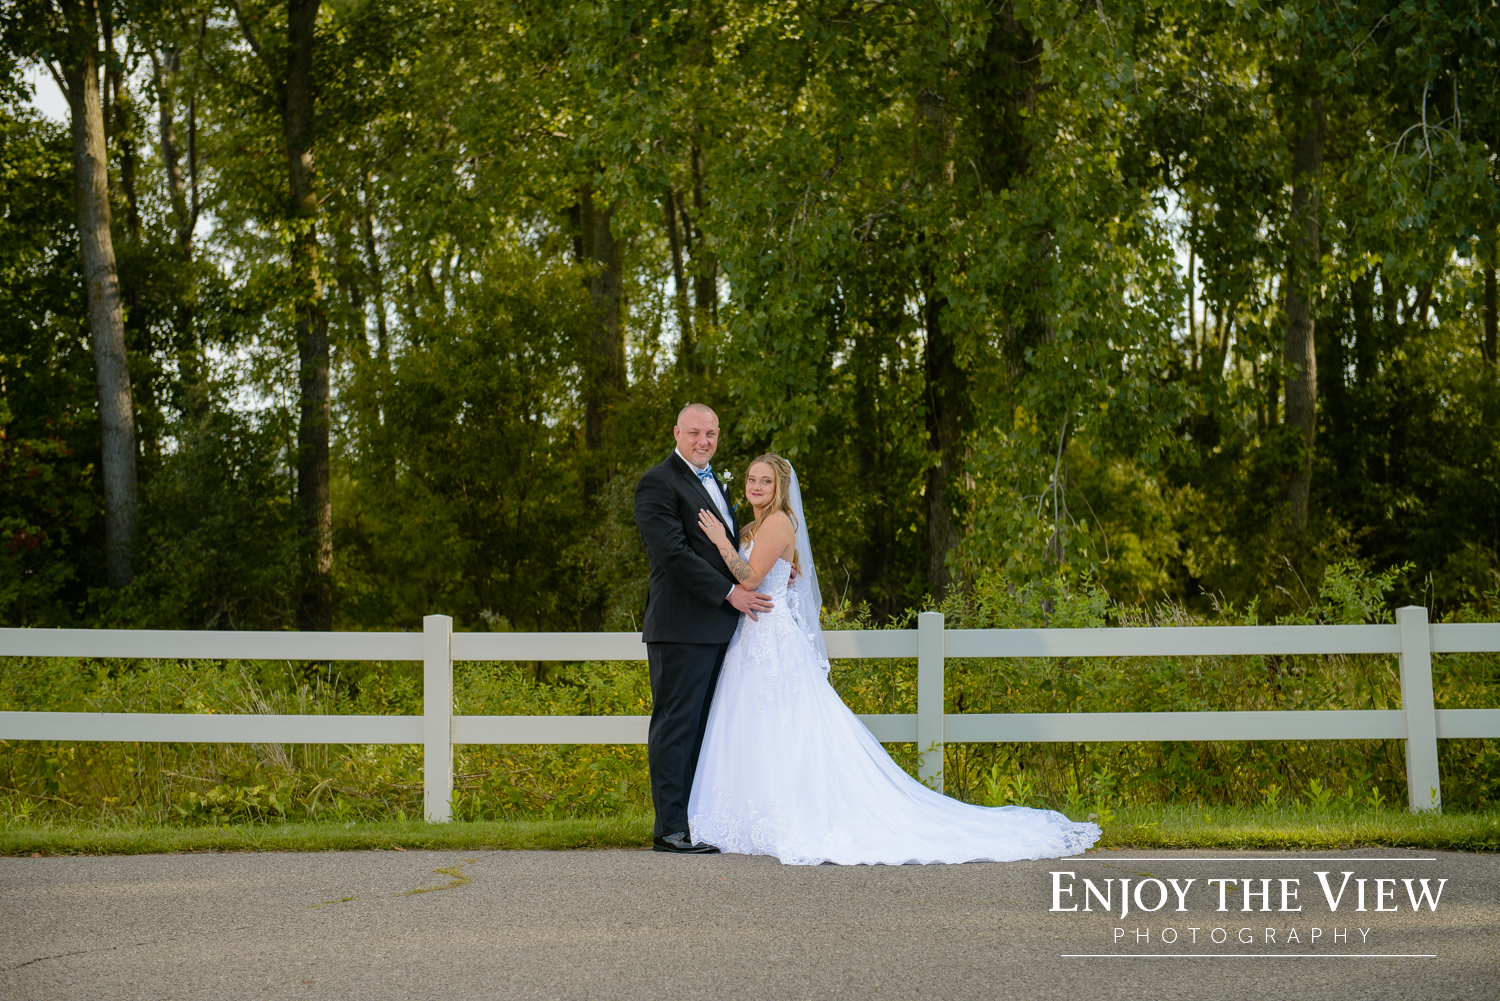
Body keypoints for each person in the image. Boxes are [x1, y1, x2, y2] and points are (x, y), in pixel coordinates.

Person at [687, 453, 1102, 865]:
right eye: (751, 479)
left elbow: (750, 578)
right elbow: (768, 572)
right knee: (756, 725)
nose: (756, 487)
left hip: (771, 639)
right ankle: (754, 814)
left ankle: (790, 813)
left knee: (786, 723)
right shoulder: (753, 527)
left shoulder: (777, 522)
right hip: (752, 635)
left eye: (766, 481)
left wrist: (721, 541)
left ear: (780, 487)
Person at [633, 403, 774, 853]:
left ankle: (696, 823)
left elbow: (726, 548)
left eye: (710, 433)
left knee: (704, 730)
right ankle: (670, 830)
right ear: (677, 432)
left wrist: (773, 568)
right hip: (679, 626)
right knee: (676, 727)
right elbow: (672, 554)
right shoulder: (658, 482)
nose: (703, 441)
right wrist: (730, 593)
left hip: (717, 629)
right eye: (694, 432)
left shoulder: (717, 484)